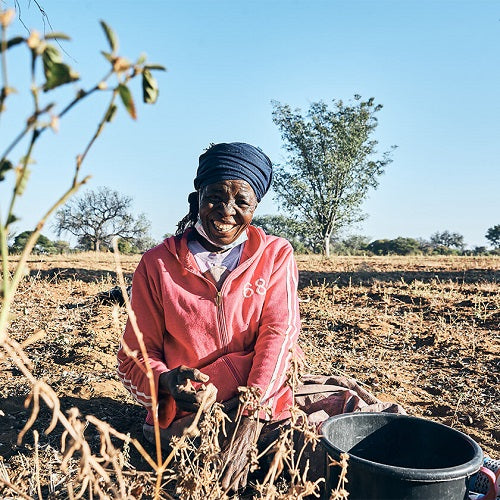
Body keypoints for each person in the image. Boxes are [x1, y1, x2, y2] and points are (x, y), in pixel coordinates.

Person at [117, 142, 301, 491]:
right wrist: (166, 382)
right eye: (215, 196)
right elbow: (133, 358)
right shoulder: (157, 264)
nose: (226, 211)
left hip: (262, 402)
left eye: (242, 202)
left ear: (256, 206)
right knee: (198, 471)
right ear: (197, 194)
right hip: (187, 415)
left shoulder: (275, 255)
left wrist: (251, 417)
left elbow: (279, 335)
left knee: (325, 445)